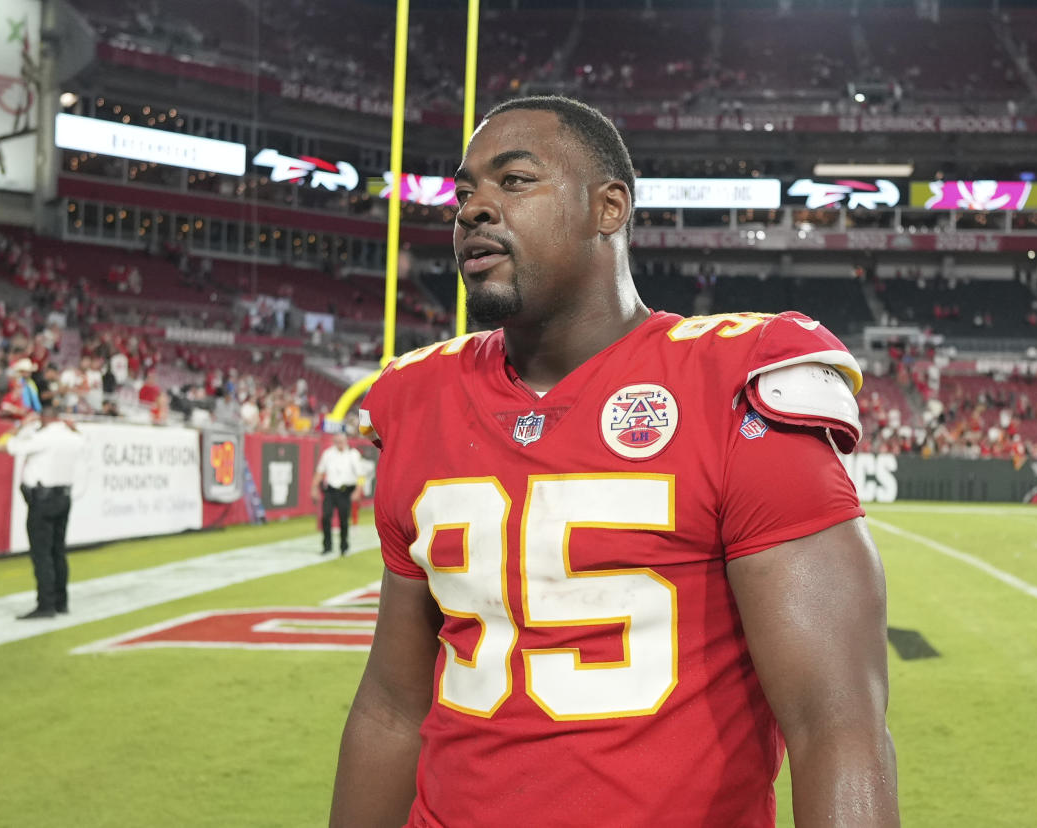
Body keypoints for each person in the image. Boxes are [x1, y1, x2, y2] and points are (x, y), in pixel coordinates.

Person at [330, 96, 898, 828]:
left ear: (608, 207)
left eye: (515, 181)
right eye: (465, 192)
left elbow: (835, 723)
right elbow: (389, 707)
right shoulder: (419, 396)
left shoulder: (732, 381)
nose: (472, 209)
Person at [0, 402, 87, 619]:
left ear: (43, 419)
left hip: (42, 500)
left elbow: (1, 446)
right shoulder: (73, 438)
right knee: (58, 551)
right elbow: (84, 441)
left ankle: (45, 604)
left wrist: (20, 425)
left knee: (41, 554)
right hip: (63, 497)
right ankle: (61, 602)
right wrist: (73, 428)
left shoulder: (42, 438)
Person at [311, 432, 366, 556]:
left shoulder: (353, 454)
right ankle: (327, 546)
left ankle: (344, 546)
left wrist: (358, 490)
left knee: (343, 519)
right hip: (330, 490)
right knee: (326, 517)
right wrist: (314, 487)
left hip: (345, 491)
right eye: (337, 441)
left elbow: (361, 475)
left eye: (341, 441)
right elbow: (320, 472)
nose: (339, 444)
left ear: (346, 441)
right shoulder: (328, 454)